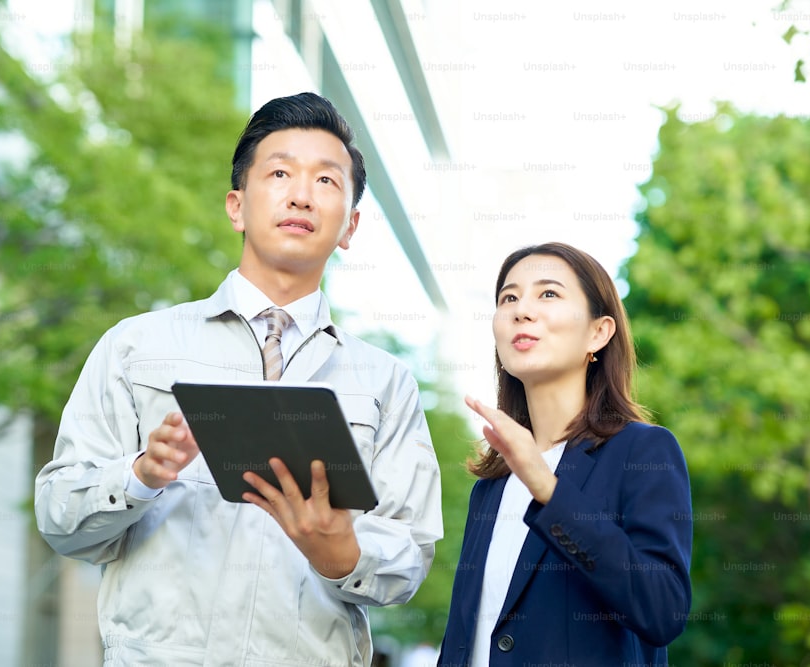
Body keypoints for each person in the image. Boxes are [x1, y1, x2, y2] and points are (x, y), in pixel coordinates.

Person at [34, 92, 443, 666]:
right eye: (279, 173)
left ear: (350, 226)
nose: (301, 194)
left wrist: (340, 549)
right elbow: (60, 519)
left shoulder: (386, 384)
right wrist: (141, 475)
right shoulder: (137, 345)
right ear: (236, 206)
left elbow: (410, 555)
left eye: (326, 181)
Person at [437, 242, 692, 666]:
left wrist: (550, 492)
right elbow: (467, 636)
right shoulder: (491, 486)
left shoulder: (643, 451)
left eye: (549, 294)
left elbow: (663, 610)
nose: (522, 310)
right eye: (509, 298)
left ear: (599, 332)